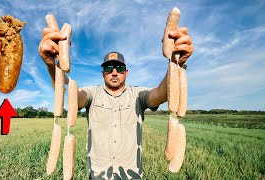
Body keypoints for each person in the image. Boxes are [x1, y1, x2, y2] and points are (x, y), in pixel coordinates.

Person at [39, 25, 193, 179]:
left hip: (130, 175)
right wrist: (52, 65)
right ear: (103, 73)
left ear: (126, 72)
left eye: (119, 68)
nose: (114, 72)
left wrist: (175, 62)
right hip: (97, 174)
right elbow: (70, 94)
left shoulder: (138, 95)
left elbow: (162, 93)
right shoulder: (93, 93)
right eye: (109, 68)